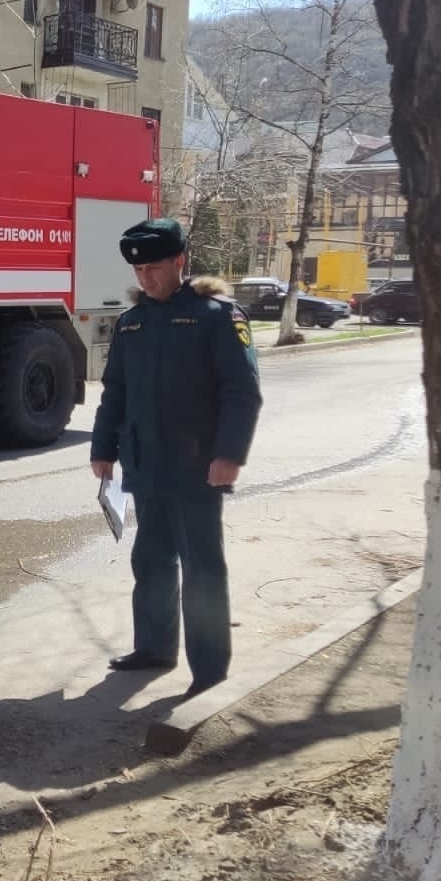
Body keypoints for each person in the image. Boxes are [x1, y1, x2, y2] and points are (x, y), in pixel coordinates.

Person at [89, 218, 262, 699]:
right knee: (152, 560)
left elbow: (241, 392)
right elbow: (114, 393)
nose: (145, 278)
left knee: (202, 567)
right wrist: (102, 449)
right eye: (138, 269)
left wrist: (229, 454)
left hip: (198, 467)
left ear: (179, 262)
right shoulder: (132, 323)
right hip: (145, 464)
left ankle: (209, 667)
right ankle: (154, 647)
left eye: (154, 267)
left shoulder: (216, 316)